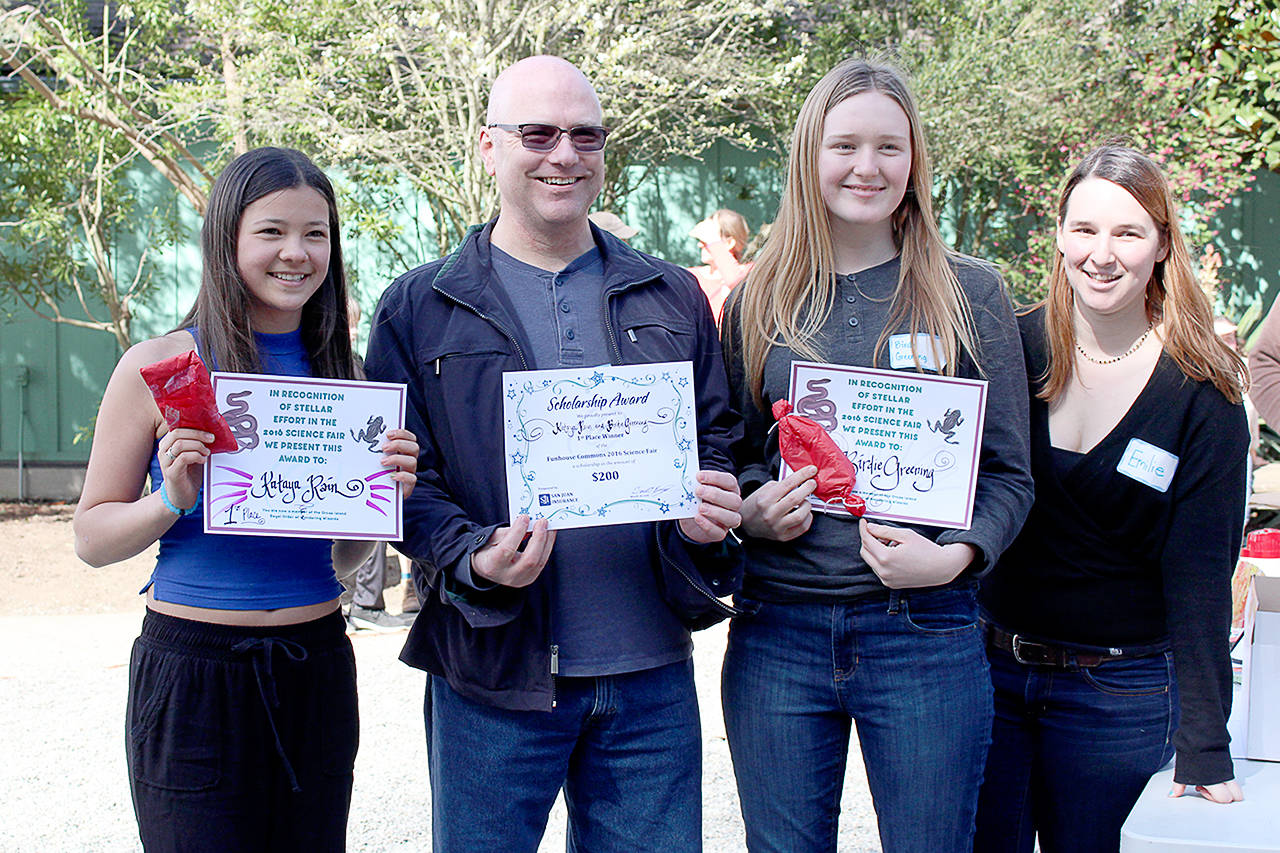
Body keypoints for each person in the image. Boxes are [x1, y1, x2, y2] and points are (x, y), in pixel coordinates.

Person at [363, 55, 744, 852]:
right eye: (537, 133)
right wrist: (473, 556)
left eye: (586, 135)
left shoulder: (670, 292)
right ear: (488, 147)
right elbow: (398, 480)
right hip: (493, 674)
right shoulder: (418, 306)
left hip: (649, 676)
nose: (564, 154)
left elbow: (717, 441)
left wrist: (709, 513)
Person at [719, 57, 1033, 853]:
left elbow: (1008, 473)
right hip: (778, 631)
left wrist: (956, 557)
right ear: (808, 156)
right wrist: (754, 510)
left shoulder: (971, 291)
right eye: (845, 145)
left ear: (915, 159)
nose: (868, 167)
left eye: (890, 147)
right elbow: (732, 448)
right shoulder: (760, 297)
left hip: (924, 631)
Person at [72, 147, 419, 852]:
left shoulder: (346, 380)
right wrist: (170, 497)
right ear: (226, 238)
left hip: (314, 661)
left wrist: (380, 500)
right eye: (272, 231)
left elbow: (344, 557)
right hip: (195, 672)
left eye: (315, 234)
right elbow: (92, 536)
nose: (296, 252)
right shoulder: (162, 365)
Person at [975, 145, 1248, 853]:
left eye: (1128, 233)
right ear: (1060, 236)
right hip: (988, 677)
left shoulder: (1202, 392)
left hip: (1120, 696)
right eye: (1085, 229)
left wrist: (1205, 744)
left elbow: (1199, 577)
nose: (1103, 253)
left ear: (1161, 246)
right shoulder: (1011, 347)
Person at [688, 208, 753, 323]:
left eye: (705, 240)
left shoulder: (749, 273)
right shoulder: (692, 276)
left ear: (729, 243)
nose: (700, 244)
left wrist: (713, 242)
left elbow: (736, 284)